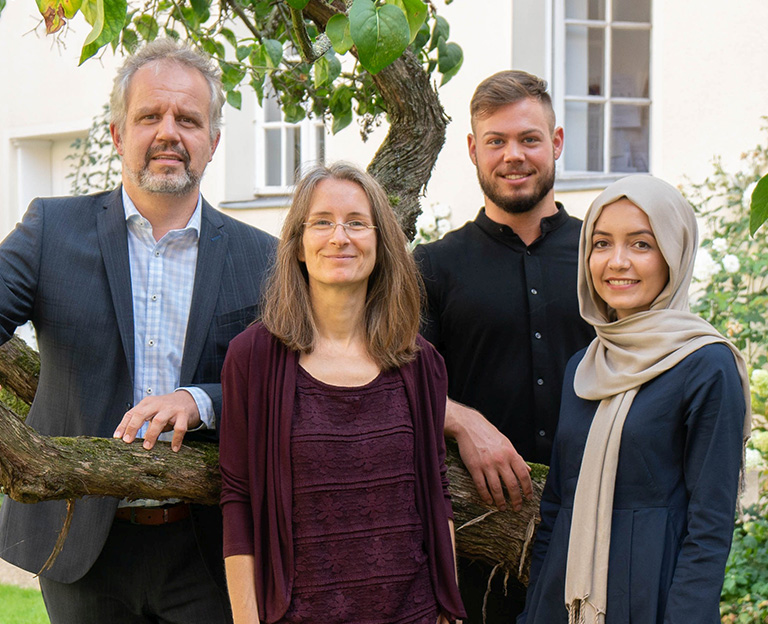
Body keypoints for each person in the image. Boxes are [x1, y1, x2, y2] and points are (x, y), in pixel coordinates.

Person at [0, 39, 276, 623]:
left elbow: (293, 384)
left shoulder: (262, 259)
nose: (169, 132)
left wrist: (203, 401)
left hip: (209, 548)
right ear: (118, 134)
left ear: (214, 142)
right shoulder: (51, 230)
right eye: (150, 115)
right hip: (81, 544)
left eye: (189, 119)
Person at [219, 162, 466, 624]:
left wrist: (447, 605)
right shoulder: (252, 358)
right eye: (322, 222)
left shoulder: (420, 361)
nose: (340, 237)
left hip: (412, 613)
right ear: (297, 245)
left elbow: (437, 490)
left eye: (356, 222)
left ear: (381, 243)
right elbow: (238, 500)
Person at [518, 174, 751, 623]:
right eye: (601, 243)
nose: (616, 262)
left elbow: (710, 528)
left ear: (673, 254)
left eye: (641, 244)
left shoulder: (705, 366)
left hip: (651, 600)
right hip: (563, 601)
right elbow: (556, 507)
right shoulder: (583, 367)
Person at [413, 70, 594, 619]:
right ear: (473, 150)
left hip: (595, 531)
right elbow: (397, 384)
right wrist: (461, 421)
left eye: (529, 139)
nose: (513, 155)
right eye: (496, 141)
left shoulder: (603, 255)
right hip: (475, 547)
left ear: (556, 143)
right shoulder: (432, 268)